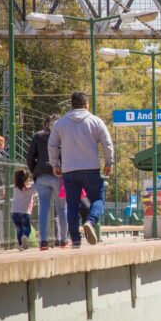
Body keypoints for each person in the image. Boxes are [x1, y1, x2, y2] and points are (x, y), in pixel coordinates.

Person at [48, 92, 113, 248]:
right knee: (98, 198)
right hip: (91, 168)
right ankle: (90, 221)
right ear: (87, 104)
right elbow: (107, 143)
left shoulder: (60, 123)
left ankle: (75, 240)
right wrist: (109, 162)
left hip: (69, 170)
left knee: (72, 204)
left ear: (71, 104)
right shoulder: (95, 121)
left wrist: (55, 164)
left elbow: (52, 144)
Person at [27, 114, 68, 250]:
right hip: (59, 176)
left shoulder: (38, 136)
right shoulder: (63, 137)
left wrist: (35, 172)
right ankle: (63, 240)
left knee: (44, 209)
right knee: (62, 209)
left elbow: (30, 157)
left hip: (42, 176)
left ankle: (43, 242)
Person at [11, 168, 37, 251]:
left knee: (19, 230)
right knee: (27, 229)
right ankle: (25, 236)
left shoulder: (15, 188)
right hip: (24, 213)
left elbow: (21, 185)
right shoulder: (29, 189)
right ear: (27, 179)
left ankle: (20, 245)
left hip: (14, 212)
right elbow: (36, 188)